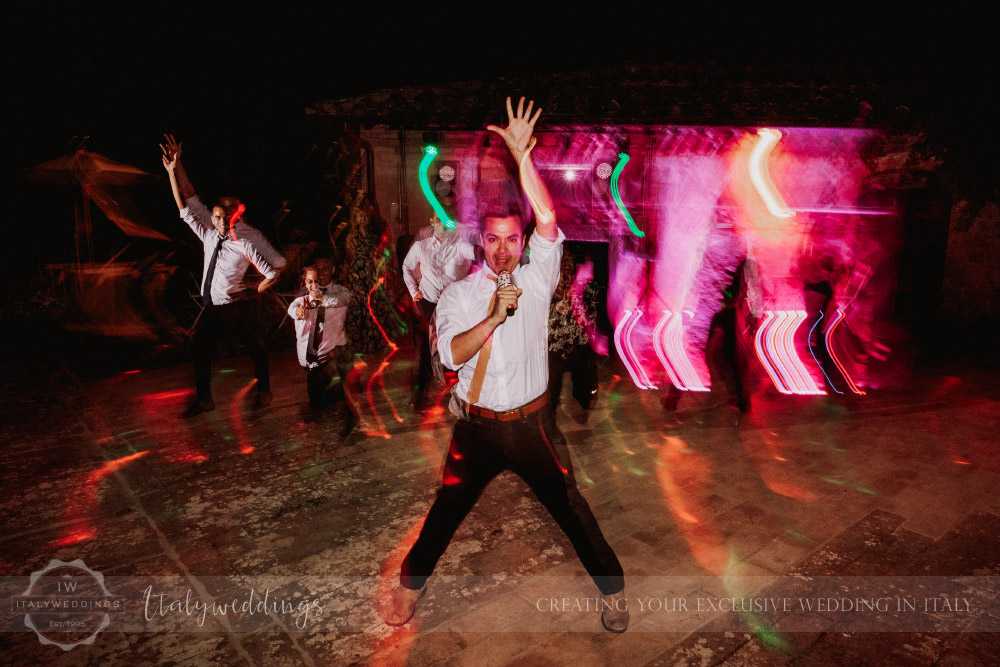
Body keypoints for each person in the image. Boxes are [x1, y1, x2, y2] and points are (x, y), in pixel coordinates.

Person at [385, 98, 628, 633]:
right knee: (445, 512)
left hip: (533, 426)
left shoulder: (539, 278)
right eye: (492, 239)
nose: (502, 250)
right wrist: (493, 318)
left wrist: (523, 156)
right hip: (476, 428)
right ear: (482, 242)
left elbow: (549, 217)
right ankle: (408, 587)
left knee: (572, 511)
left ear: (522, 244)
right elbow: (449, 353)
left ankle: (613, 592)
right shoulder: (459, 296)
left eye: (511, 240)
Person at [160, 135, 282, 417]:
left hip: (234, 306)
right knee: (202, 348)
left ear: (234, 214)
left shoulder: (245, 241)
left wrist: (255, 290)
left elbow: (272, 271)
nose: (219, 219)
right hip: (213, 306)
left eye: (224, 215)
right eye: (215, 215)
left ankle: (263, 391)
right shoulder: (209, 235)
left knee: (255, 347)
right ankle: (205, 400)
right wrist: (173, 170)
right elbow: (186, 205)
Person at [402, 214, 476, 411]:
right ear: (432, 222)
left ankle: (463, 395)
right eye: (438, 219)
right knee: (424, 351)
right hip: (427, 304)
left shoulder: (460, 244)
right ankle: (420, 396)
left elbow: (478, 256)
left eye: (447, 220)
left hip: (454, 307)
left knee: (459, 347)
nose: (443, 223)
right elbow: (407, 266)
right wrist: (413, 291)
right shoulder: (421, 246)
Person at [288, 265, 357, 435]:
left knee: (338, 388)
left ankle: (349, 419)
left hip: (332, 351)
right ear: (305, 281)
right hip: (310, 358)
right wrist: (299, 311)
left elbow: (342, 300)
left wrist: (320, 298)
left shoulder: (339, 292)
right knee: (318, 401)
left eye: (317, 280)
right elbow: (293, 309)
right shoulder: (302, 298)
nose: (314, 285)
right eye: (310, 281)